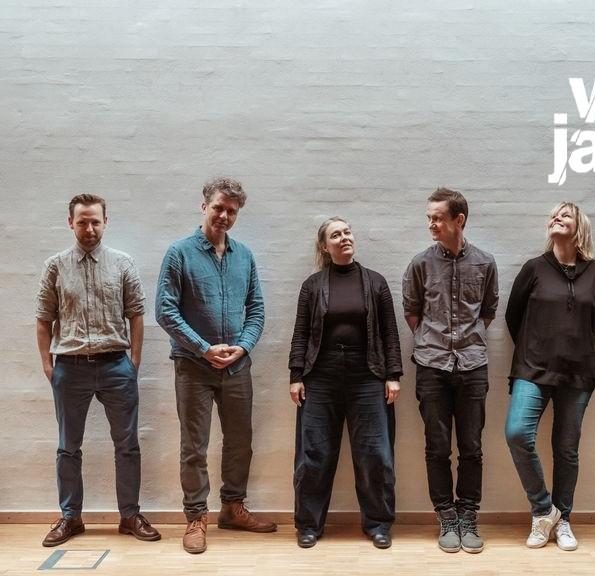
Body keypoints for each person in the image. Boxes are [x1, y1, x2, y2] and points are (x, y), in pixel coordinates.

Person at [155, 177, 275, 554]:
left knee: (240, 441)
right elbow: (165, 311)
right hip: (193, 366)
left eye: (231, 211)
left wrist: (243, 347)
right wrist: (204, 348)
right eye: (218, 207)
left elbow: (256, 309)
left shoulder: (244, 256)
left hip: (237, 367)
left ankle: (233, 508)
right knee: (195, 445)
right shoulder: (179, 253)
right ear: (204, 206)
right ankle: (195, 517)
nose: (224, 215)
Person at [36, 194, 161, 547]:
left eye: (95, 222)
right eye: (82, 222)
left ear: (106, 222)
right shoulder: (55, 266)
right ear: (70, 223)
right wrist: (48, 366)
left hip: (116, 366)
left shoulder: (123, 263)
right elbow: (43, 319)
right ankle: (70, 517)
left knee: (127, 445)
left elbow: (136, 314)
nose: (89, 229)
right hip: (69, 367)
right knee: (68, 447)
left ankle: (130, 515)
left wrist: (133, 363)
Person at [289, 217, 402, 550]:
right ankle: (308, 525)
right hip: (320, 379)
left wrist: (393, 375)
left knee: (375, 454)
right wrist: (296, 376)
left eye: (347, 232)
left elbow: (390, 332)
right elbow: (300, 332)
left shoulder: (375, 282)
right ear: (325, 246)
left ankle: (378, 524)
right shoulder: (312, 286)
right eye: (336, 235)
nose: (344, 237)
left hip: (368, 378)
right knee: (313, 454)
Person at [504, 202, 595, 551]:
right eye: (553, 215)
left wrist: (573, 345)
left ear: (580, 227)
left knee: (566, 450)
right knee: (517, 433)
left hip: (578, 374)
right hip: (532, 370)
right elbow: (513, 316)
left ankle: (563, 519)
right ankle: (544, 511)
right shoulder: (534, 268)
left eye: (565, 215)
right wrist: (538, 346)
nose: (557, 218)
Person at [402, 188, 498, 554]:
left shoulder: (485, 263)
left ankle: (468, 515)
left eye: (438, 218)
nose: (431, 224)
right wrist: (432, 342)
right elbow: (412, 311)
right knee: (437, 447)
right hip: (432, 366)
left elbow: (488, 310)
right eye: (429, 217)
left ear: (459, 220)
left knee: (472, 447)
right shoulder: (420, 264)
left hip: (473, 366)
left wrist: (467, 341)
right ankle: (446, 516)